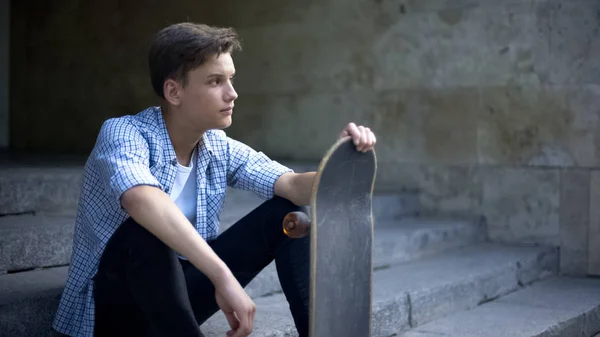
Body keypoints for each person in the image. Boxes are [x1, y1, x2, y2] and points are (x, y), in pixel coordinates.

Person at [52, 22, 376, 337]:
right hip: (114, 304)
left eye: (231, 79)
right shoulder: (125, 133)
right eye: (215, 81)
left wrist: (339, 163)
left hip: (180, 294)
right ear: (174, 91)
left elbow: (290, 184)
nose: (232, 93)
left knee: (287, 216)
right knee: (146, 231)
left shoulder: (216, 146)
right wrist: (222, 276)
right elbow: (142, 199)